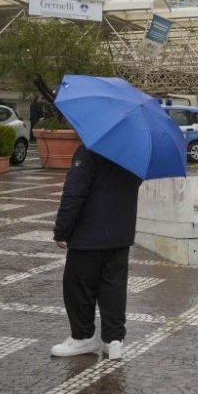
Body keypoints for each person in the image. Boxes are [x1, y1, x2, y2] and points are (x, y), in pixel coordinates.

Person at [51, 145, 142, 361]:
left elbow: (74, 193)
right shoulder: (133, 152)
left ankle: (83, 337)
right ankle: (114, 341)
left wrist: (62, 230)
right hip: (120, 234)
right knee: (114, 287)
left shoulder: (89, 151)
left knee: (79, 287)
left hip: (88, 235)